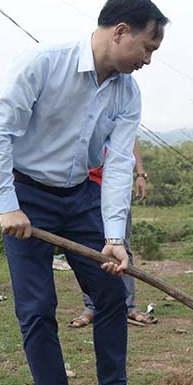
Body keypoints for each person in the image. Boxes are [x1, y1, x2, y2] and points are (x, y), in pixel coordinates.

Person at [0, 0, 168, 385]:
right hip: (28, 196)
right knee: (37, 307)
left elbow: (120, 162)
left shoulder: (127, 91)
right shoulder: (44, 64)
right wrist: (8, 204)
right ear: (120, 31)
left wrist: (114, 236)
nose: (147, 59)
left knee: (110, 291)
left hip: (82, 195)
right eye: (147, 47)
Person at [69, 139, 158, 328]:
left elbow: (129, 138)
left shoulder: (119, 113)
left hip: (117, 186)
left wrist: (140, 174)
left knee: (122, 246)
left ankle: (129, 306)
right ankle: (92, 306)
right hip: (85, 185)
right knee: (89, 249)